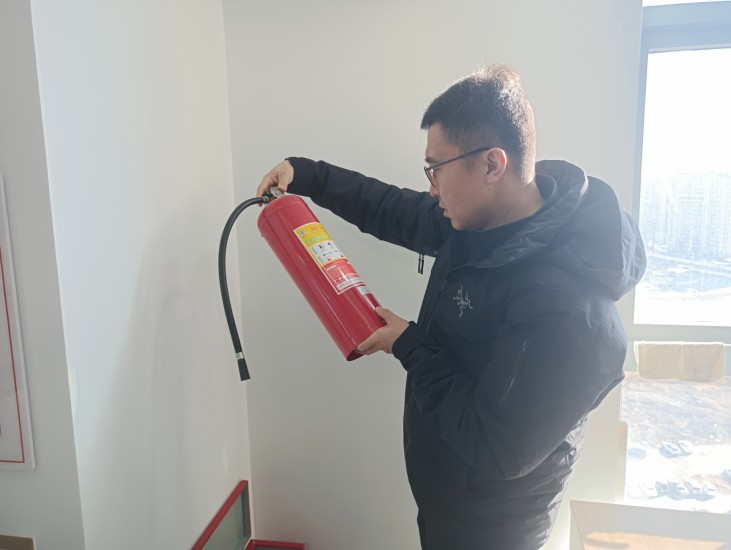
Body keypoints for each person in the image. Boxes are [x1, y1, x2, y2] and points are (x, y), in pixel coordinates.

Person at [256, 64, 646, 550]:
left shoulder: (570, 309)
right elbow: (390, 209)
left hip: (490, 528)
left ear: (492, 166)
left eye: (436, 169)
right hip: (446, 499)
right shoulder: (480, 219)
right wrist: (307, 174)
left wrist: (408, 344)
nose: (431, 187)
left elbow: (497, 446)